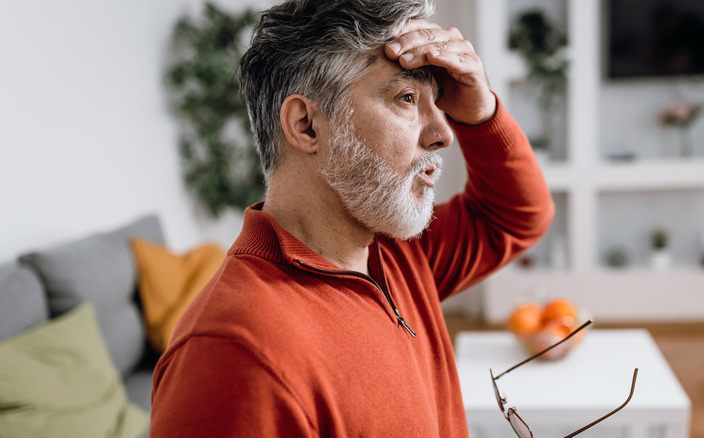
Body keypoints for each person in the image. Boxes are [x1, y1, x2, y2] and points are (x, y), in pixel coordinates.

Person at [150, 0, 554, 436]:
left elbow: (514, 216)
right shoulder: (237, 355)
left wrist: (481, 112)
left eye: (438, 102)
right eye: (406, 98)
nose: (444, 133)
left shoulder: (394, 255)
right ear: (306, 126)